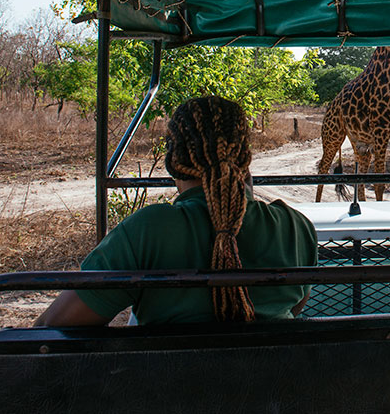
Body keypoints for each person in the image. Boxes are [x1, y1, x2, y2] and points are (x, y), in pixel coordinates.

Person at [36, 96, 317, 326]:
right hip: (276, 387)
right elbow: (294, 309)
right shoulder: (295, 227)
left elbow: (54, 329)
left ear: (174, 160)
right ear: (246, 155)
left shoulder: (148, 230)